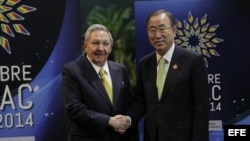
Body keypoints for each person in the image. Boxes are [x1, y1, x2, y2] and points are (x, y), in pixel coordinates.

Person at [128, 9, 210, 141]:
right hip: (152, 136)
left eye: (162, 29)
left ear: (174, 30)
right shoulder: (144, 64)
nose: (157, 35)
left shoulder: (193, 61)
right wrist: (128, 119)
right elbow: (141, 101)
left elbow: (201, 107)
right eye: (152, 30)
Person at [61, 24, 138, 141]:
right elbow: (74, 108)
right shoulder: (72, 71)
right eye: (96, 43)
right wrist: (109, 121)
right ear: (85, 45)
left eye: (105, 44)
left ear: (111, 47)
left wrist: (127, 119)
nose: (101, 48)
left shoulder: (121, 70)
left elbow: (129, 102)